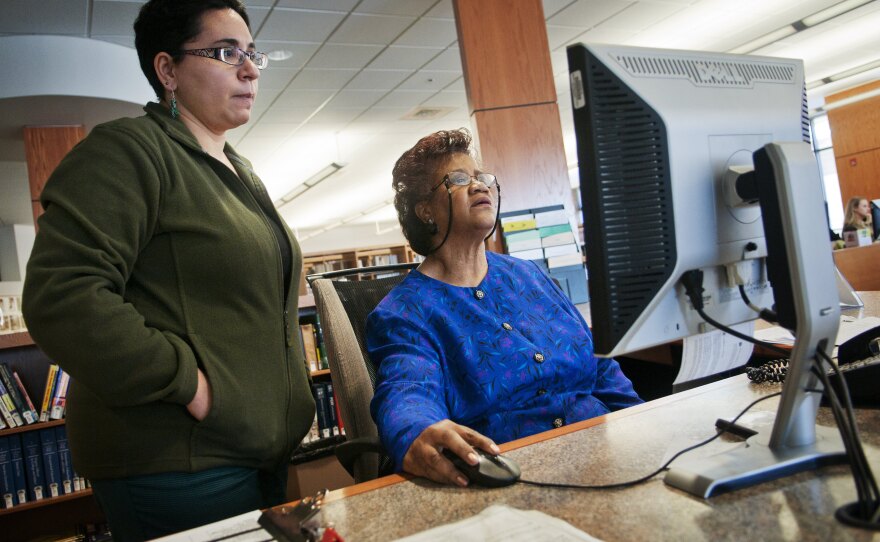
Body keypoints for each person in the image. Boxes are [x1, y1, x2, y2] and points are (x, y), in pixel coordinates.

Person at [22, 1, 314, 539]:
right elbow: (61, 296)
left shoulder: (236, 168)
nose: (249, 69)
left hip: (252, 454)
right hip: (180, 465)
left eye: (251, 54)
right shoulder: (129, 151)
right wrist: (190, 384)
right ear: (167, 70)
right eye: (226, 53)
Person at [366, 129, 643, 487]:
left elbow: (599, 366)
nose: (479, 186)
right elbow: (407, 391)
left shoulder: (531, 275)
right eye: (459, 179)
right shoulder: (404, 312)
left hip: (605, 450)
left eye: (482, 178)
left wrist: (643, 422)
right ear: (425, 211)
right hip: (513, 477)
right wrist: (416, 429)